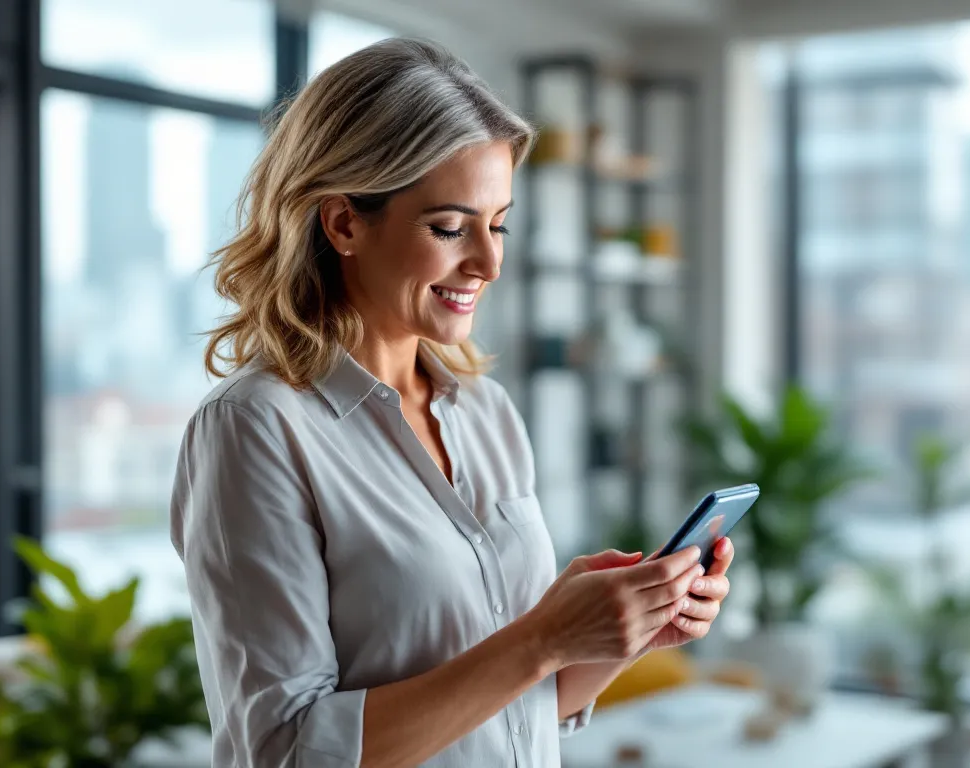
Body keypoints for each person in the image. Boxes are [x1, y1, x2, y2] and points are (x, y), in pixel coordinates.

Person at [169, 38, 735, 768]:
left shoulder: (487, 413)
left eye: (498, 224)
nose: (490, 263)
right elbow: (284, 752)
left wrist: (620, 633)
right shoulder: (256, 430)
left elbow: (511, 709)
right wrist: (543, 637)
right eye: (449, 228)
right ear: (343, 222)